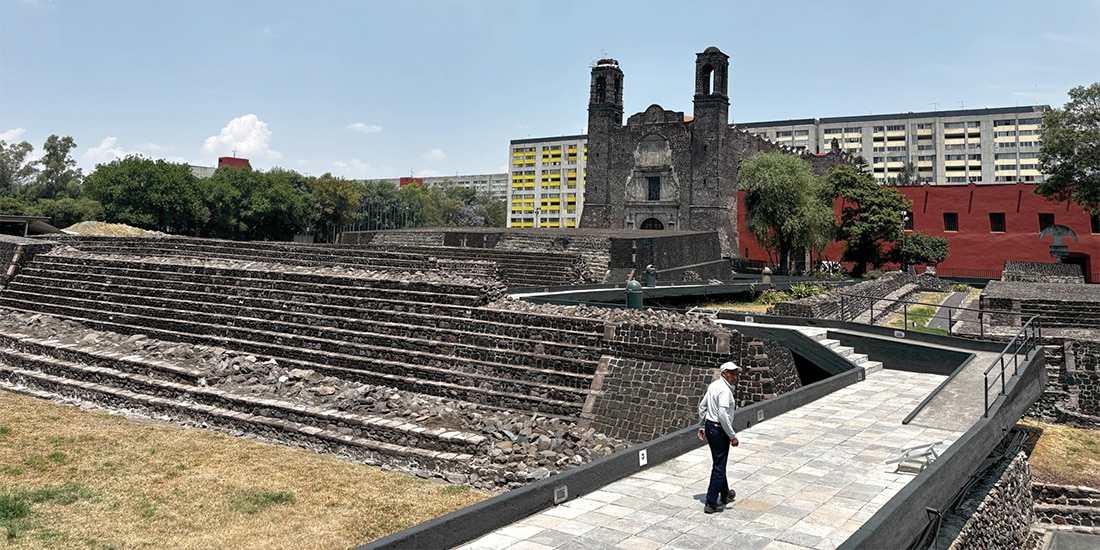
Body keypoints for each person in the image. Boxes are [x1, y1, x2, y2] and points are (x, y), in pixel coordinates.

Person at [697, 360, 740, 513]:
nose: (735, 376)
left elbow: (702, 406)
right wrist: (732, 435)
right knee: (719, 466)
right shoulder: (724, 391)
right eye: (731, 373)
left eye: (736, 373)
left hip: (710, 427)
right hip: (719, 429)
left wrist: (702, 425)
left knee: (719, 461)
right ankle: (711, 501)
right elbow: (723, 415)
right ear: (724, 374)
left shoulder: (714, 386)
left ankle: (725, 493)